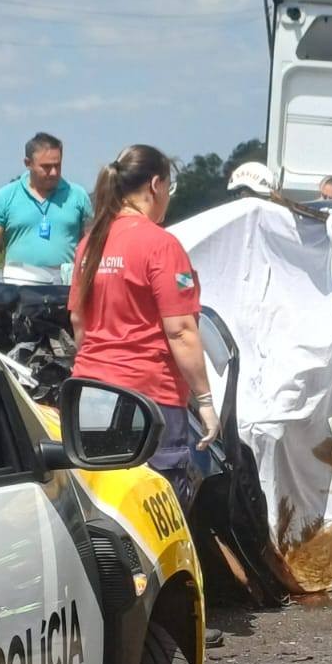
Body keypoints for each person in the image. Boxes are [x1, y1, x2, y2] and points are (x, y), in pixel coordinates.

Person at [69, 144, 221, 505]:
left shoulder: (90, 244)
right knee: (157, 508)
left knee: (102, 506)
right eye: (169, 187)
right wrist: (204, 400)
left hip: (89, 396)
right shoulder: (161, 245)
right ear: (156, 185)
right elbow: (180, 330)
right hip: (148, 401)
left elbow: (78, 322)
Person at [0, 132, 94, 279]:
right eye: (46, 167)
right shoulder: (5, 197)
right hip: (19, 286)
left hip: (65, 285)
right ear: (28, 163)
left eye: (57, 165)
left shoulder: (78, 195)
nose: (54, 172)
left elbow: (92, 244)